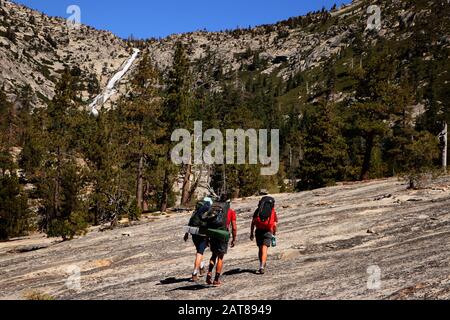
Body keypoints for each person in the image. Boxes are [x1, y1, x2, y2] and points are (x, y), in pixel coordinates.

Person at [206, 197, 237, 286]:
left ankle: (209, 272)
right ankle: (216, 280)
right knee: (220, 257)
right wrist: (234, 239)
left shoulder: (214, 210)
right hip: (223, 235)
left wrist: (207, 238)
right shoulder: (231, 212)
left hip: (213, 234)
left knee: (213, 255)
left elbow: (208, 223)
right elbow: (234, 227)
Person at [184, 197, 213, 282]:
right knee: (199, 253)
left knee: (199, 250)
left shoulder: (197, 210)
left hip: (193, 232)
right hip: (202, 233)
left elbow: (191, 220)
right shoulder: (208, 210)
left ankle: (202, 266)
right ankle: (194, 273)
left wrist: (186, 233)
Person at [250, 196, 278, 275]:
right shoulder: (272, 212)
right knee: (264, 249)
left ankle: (261, 264)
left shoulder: (258, 210)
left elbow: (253, 223)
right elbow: (275, 225)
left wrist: (251, 233)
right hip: (268, 231)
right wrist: (274, 233)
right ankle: (262, 266)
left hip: (258, 231)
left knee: (260, 248)